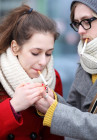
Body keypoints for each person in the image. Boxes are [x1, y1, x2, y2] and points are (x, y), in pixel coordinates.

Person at [34, 0, 97, 140]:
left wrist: (55, 112)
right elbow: (75, 110)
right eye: (77, 23)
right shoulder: (87, 61)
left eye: (86, 21)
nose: (80, 30)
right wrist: (52, 101)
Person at [0, 4, 64, 140]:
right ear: (15, 48)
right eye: (35, 53)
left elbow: (54, 136)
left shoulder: (53, 78)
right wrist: (14, 105)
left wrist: (53, 110)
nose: (43, 62)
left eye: (48, 53)